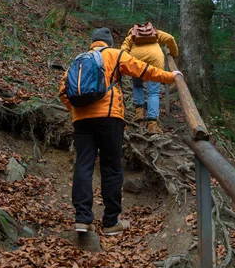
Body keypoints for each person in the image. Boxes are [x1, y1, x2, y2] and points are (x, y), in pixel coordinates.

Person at [59, 27, 182, 236]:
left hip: (81, 121)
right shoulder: (115, 55)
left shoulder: (79, 59)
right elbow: (143, 70)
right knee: (111, 168)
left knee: (84, 165)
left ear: (92, 42)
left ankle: (82, 218)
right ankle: (110, 222)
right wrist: (170, 77)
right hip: (110, 118)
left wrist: (76, 112)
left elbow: (63, 91)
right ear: (108, 42)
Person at [121, 23, 179, 134]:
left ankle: (139, 113)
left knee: (137, 85)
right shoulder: (156, 32)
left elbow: (123, 51)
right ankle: (152, 124)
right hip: (155, 60)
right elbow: (170, 38)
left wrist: (127, 64)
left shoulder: (131, 36)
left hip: (137, 61)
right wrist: (174, 53)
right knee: (153, 93)